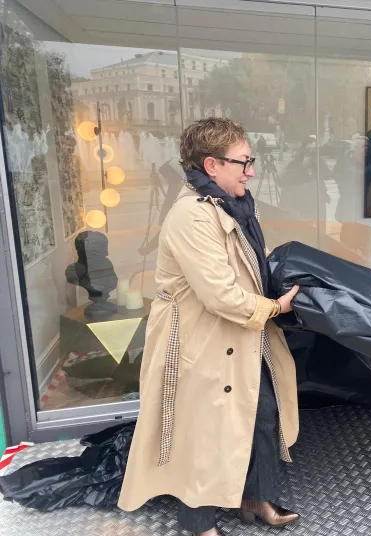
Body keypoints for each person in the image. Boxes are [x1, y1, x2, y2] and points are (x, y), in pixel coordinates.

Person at [118, 118, 301, 536]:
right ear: (212, 165)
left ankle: (254, 497)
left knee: (261, 412)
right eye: (243, 162)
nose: (251, 171)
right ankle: (198, 523)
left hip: (239, 332)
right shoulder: (191, 216)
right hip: (197, 340)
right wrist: (276, 307)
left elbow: (248, 263)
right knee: (201, 430)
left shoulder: (234, 206)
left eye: (250, 160)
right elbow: (219, 294)